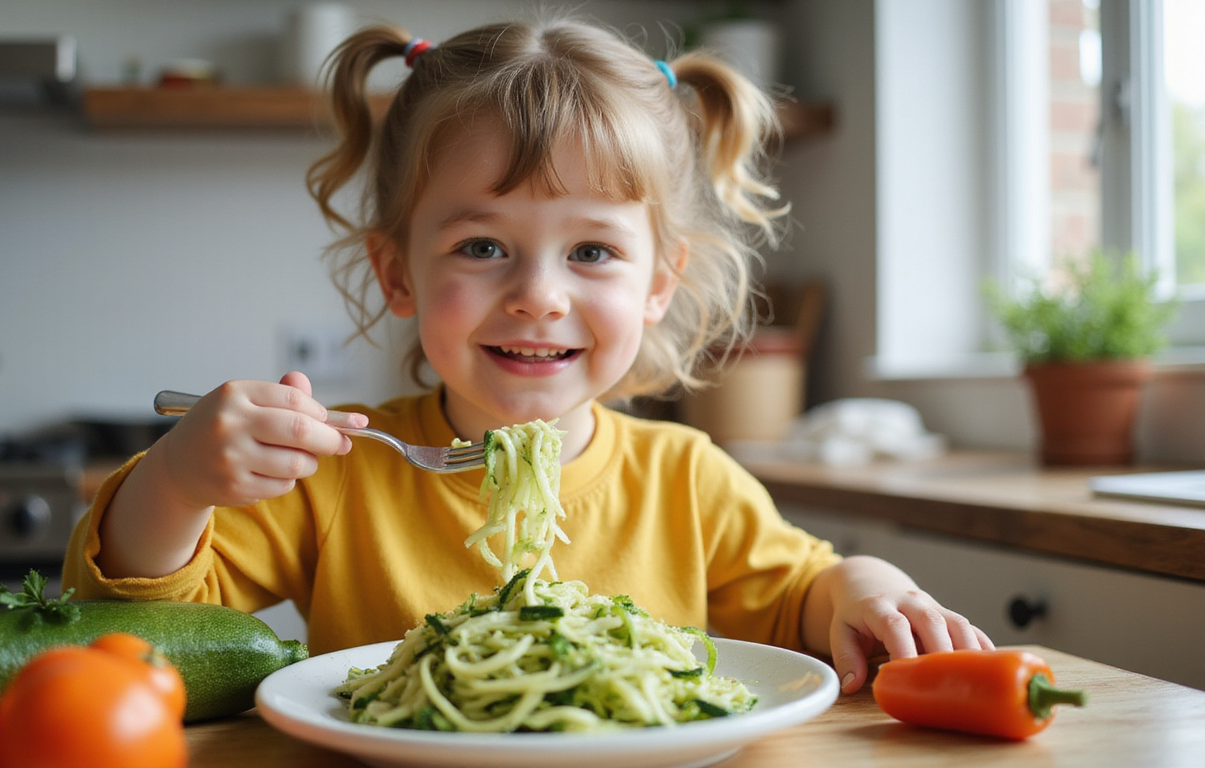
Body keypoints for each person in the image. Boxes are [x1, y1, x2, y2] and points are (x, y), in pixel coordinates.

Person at [63, 14, 992, 696]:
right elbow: (142, 630)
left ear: (658, 283)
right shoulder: (339, 476)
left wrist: (871, 587)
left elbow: (803, 595)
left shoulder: (687, 478)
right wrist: (177, 481)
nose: (539, 295)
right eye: (481, 246)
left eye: (592, 251)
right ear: (398, 274)